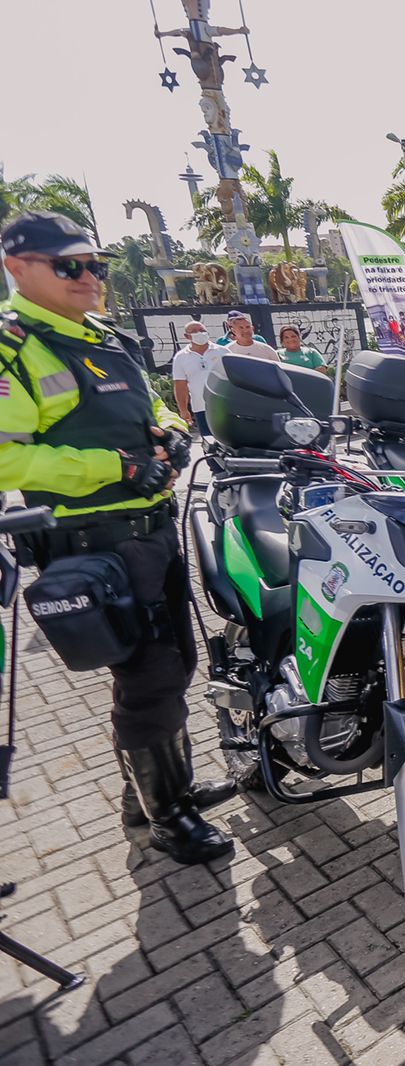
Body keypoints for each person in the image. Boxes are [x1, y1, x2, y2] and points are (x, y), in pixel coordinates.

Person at [0, 211, 233, 865]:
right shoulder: (12, 347)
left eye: (93, 265)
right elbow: (5, 458)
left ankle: (156, 791)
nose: (88, 277)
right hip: (91, 541)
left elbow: (149, 402)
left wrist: (171, 431)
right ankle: (166, 817)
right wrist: (115, 467)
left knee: (175, 666)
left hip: (152, 531)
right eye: (68, 266)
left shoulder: (104, 336)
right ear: (17, 268)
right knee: (149, 679)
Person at [170, 320, 219, 438]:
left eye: (202, 330)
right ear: (187, 336)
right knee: (209, 442)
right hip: (201, 408)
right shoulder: (181, 357)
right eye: (194, 331)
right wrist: (183, 409)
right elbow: (180, 385)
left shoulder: (223, 351)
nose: (199, 333)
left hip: (225, 406)